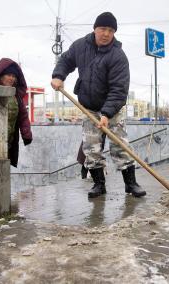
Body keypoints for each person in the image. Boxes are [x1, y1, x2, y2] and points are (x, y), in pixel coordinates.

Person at [50, 12, 146, 198]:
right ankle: (99, 185)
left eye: (111, 30)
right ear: (95, 29)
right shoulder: (80, 46)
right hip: (89, 107)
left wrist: (107, 114)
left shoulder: (118, 56)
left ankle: (131, 184)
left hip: (113, 109)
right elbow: (66, 60)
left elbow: (119, 90)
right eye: (103, 29)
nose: (106, 33)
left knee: (120, 145)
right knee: (91, 146)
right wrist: (58, 76)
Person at [0, 58, 33, 167]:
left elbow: (23, 116)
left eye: (14, 76)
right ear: (1, 75)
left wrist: (26, 134)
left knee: (3, 169)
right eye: (9, 75)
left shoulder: (16, 96)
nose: (11, 78)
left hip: (9, 142)